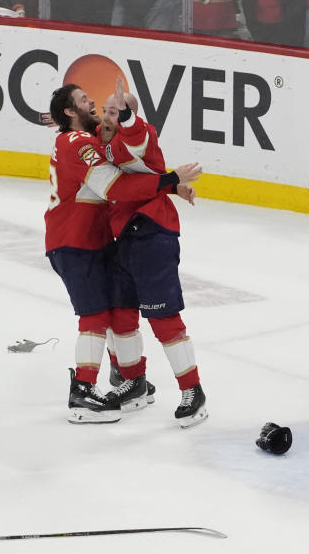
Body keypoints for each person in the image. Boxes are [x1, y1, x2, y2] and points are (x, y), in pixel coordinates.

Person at [45, 83, 203, 423]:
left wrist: (172, 183)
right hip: (78, 241)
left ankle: (138, 382)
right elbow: (116, 185)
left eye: (109, 110)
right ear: (72, 113)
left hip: (114, 238)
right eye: (89, 103)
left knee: (121, 312)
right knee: (100, 315)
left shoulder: (108, 138)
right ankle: (84, 391)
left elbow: (138, 151)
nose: (97, 109)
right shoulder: (81, 143)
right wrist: (170, 180)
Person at [100, 80, 210, 429]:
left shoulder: (138, 133)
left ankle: (193, 392)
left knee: (163, 318)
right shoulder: (107, 141)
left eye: (115, 111)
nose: (108, 116)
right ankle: (134, 383)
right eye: (106, 109)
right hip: (127, 238)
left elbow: (137, 135)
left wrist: (127, 114)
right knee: (120, 313)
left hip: (153, 234)